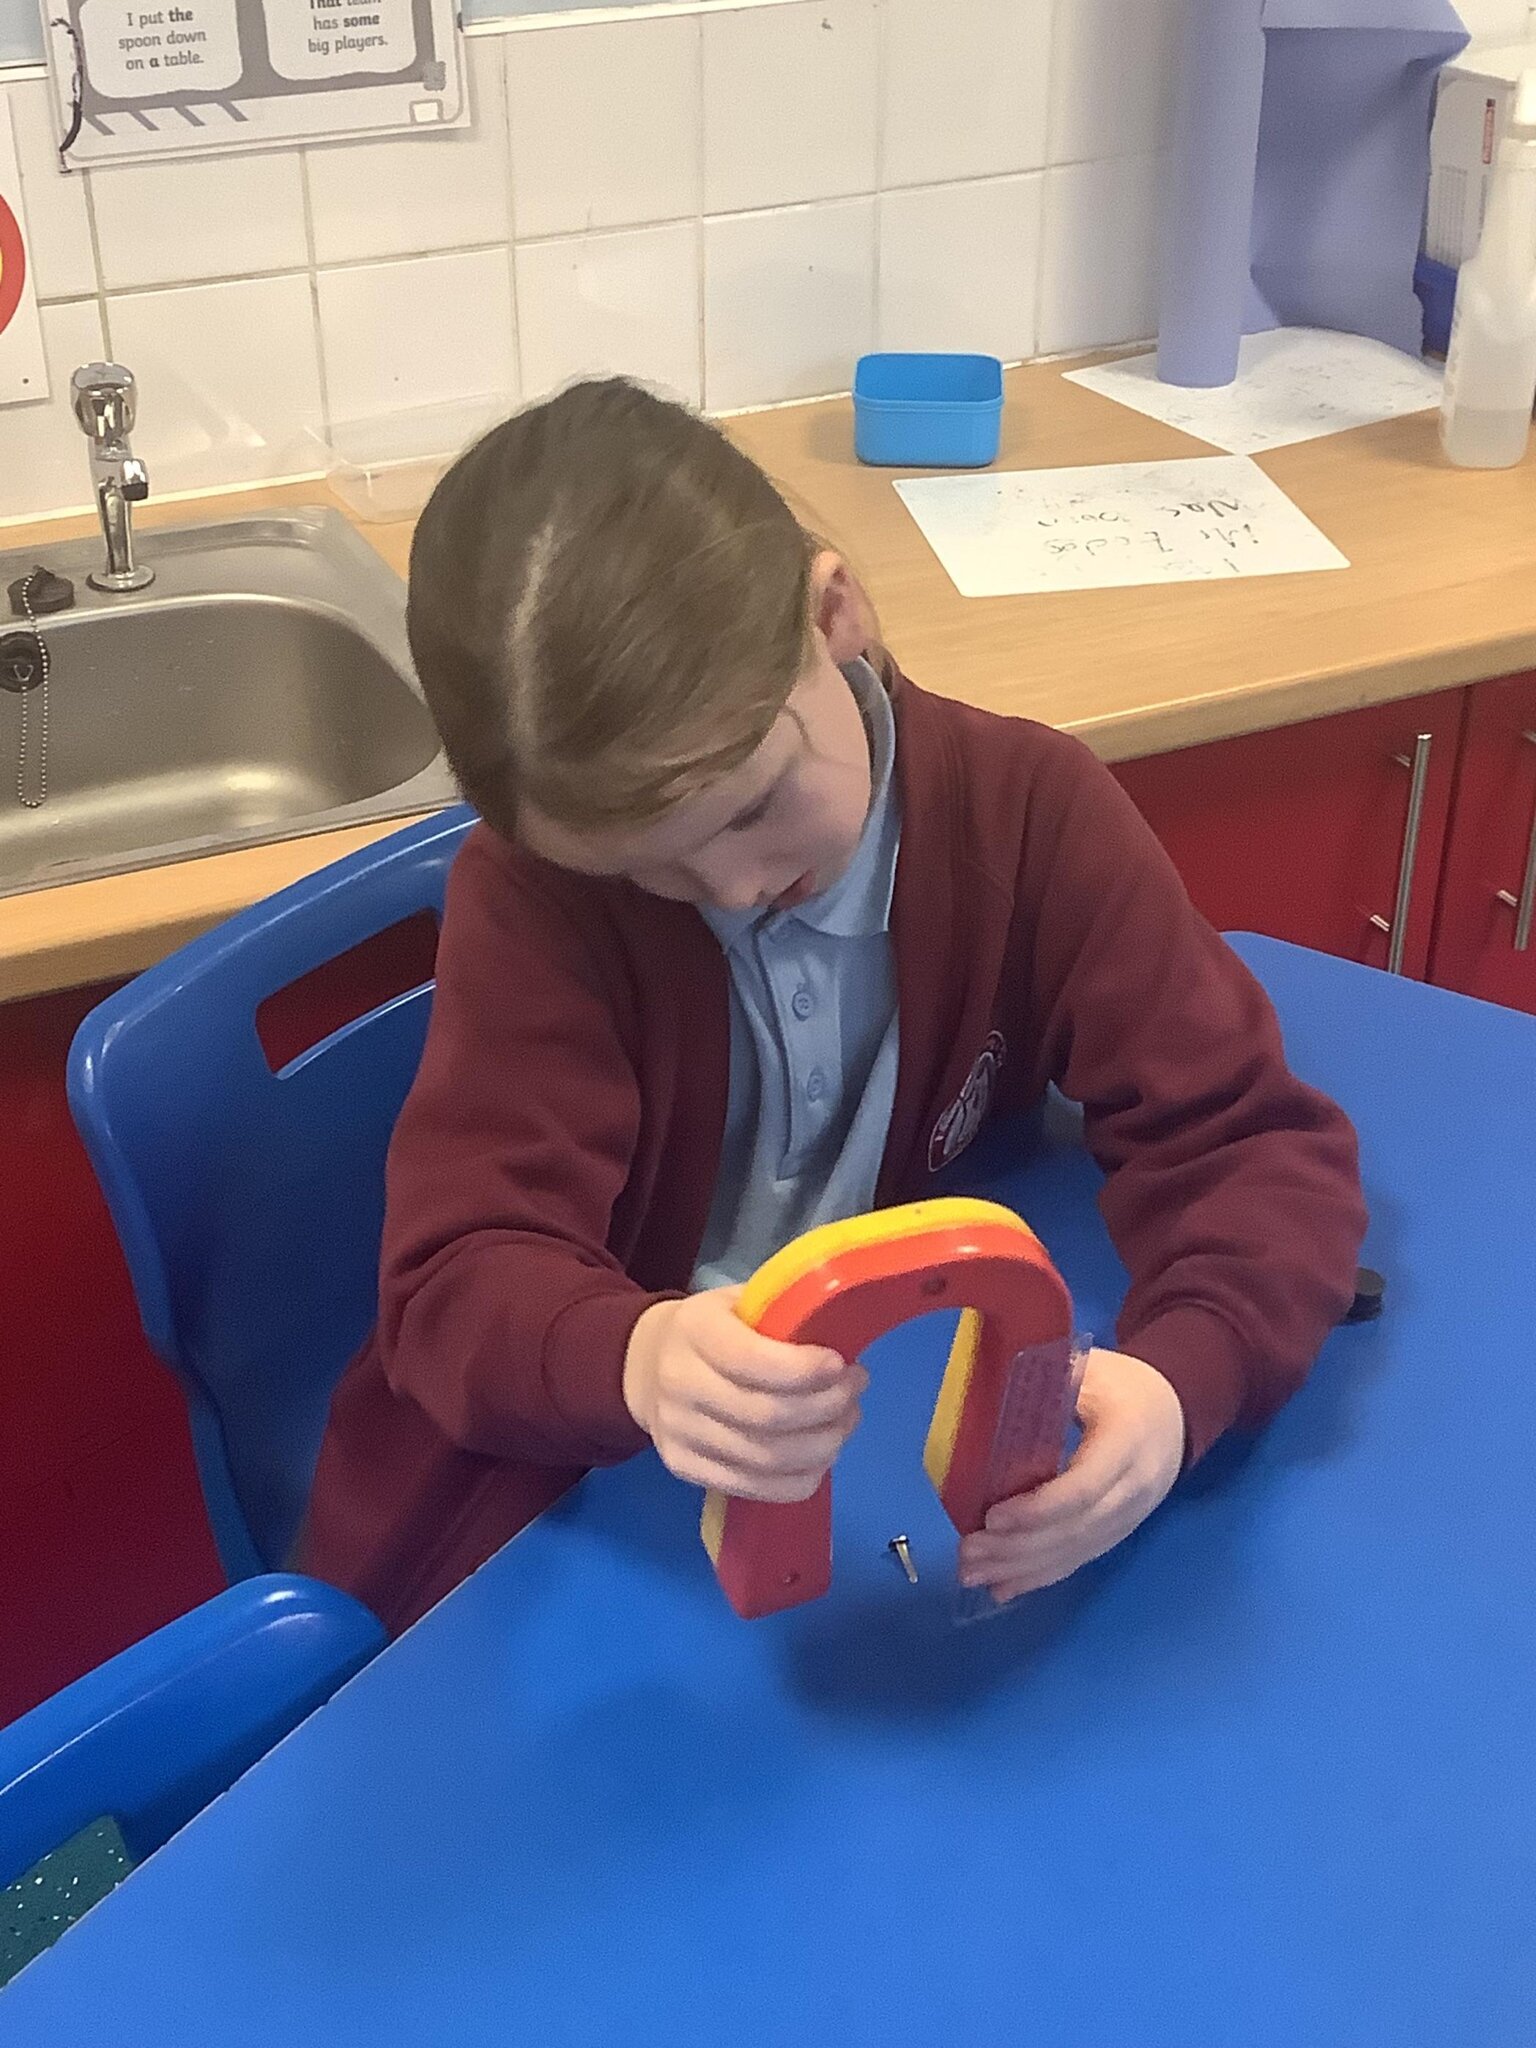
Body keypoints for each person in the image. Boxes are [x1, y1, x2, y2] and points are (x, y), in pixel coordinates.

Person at [296, 377, 1367, 1633]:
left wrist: (1184, 1383)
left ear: (834, 612)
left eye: (754, 805)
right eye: (649, 868)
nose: (735, 888)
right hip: (576, 1507)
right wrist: (636, 1354)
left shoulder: (1029, 814)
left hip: (869, 1441)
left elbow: (1246, 1140)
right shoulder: (541, 900)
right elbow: (454, 1280)